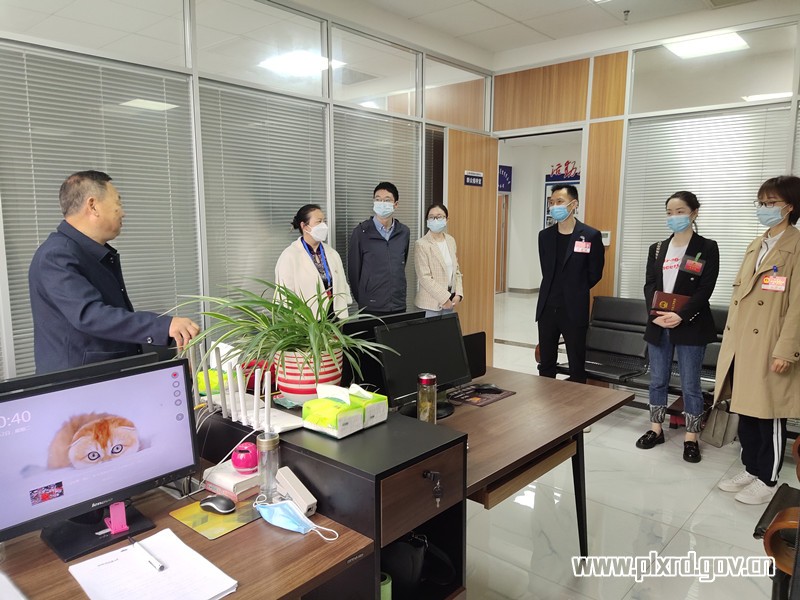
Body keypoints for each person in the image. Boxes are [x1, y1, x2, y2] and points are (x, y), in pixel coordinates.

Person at [29, 170, 199, 374]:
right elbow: (89, 315)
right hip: (79, 384)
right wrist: (162, 326)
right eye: (118, 202)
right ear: (93, 206)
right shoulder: (57, 255)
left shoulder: (88, 252)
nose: (123, 212)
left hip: (104, 377)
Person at [716, 175, 800, 505]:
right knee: (746, 412)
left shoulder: (796, 246)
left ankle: (768, 479)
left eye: (770, 203)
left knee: (769, 415)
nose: (763, 208)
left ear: (789, 207)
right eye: (761, 203)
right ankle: (751, 468)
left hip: (771, 345)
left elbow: (798, 306)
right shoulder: (757, 243)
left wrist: (786, 351)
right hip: (744, 344)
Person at [635, 191, 719, 464]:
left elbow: (705, 289)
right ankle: (656, 429)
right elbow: (650, 284)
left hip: (690, 324)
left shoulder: (707, 247)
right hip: (659, 322)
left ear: (694, 213)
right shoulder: (658, 248)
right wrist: (655, 313)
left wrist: (680, 315)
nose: (674, 217)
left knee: (690, 384)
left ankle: (691, 437)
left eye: (680, 211)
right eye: (669, 212)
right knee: (657, 379)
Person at [536, 184, 605, 383]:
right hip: (547, 307)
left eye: (560, 201)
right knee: (546, 363)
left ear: (574, 204)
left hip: (574, 308)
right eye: (552, 202)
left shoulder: (590, 235)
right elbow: (546, 270)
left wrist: (576, 289)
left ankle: (576, 402)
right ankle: (546, 398)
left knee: (576, 365)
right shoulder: (544, 236)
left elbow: (595, 273)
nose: (554, 206)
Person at [275, 204, 351, 319]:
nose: (324, 226)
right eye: (319, 221)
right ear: (304, 226)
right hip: (308, 321)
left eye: (324, 221)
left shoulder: (332, 253)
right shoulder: (290, 256)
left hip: (335, 317)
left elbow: (342, 285)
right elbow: (285, 295)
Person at [348, 182, 410, 316]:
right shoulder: (361, 232)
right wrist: (364, 299)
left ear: (396, 204)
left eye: (387, 200)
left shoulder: (404, 232)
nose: (382, 203)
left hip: (398, 304)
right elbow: (354, 272)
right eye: (378, 199)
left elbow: (401, 263)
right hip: (371, 306)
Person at [414, 204, 463, 317]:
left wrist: (458, 294)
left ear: (446, 219)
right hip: (430, 303)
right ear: (427, 220)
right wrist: (444, 298)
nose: (435, 220)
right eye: (431, 217)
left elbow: (456, 270)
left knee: (449, 328)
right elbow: (424, 278)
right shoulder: (421, 244)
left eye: (439, 217)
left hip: (450, 300)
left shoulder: (450, 240)